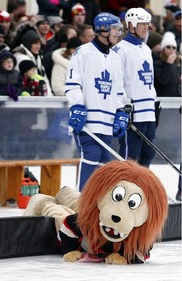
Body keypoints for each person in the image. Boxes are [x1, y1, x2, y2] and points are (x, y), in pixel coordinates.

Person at [65, 12, 127, 191]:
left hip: (106, 120)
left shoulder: (115, 58)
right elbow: (72, 83)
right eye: (115, 29)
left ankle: (96, 203)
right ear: (103, 30)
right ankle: (81, 201)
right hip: (88, 119)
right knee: (91, 154)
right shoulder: (83, 52)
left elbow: (118, 91)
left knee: (104, 161)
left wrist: (121, 112)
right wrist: (77, 106)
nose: (118, 33)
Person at [113, 8, 157, 168]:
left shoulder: (146, 49)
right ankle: (126, 190)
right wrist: (124, 107)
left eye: (147, 23)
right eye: (142, 24)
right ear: (131, 25)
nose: (146, 27)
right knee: (130, 158)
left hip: (148, 112)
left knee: (147, 156)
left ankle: (143, 191)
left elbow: (148, 82)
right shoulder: (120, 50)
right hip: (133, 113)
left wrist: (154, 102)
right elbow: (117, 82)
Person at [153, 32, 181, 97]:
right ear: (163, 49)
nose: (171, 49)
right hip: (163, 100)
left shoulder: (175, 64)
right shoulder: (157, 63)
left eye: (174, 48)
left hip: (175, 100)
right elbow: (163, 81)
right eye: (168, 47)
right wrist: (169, 64)